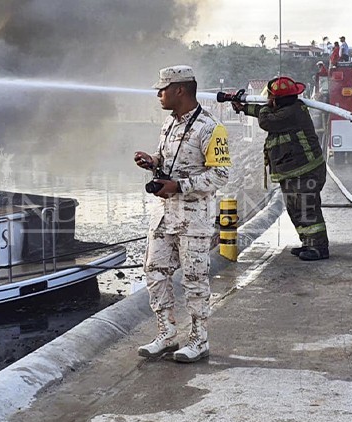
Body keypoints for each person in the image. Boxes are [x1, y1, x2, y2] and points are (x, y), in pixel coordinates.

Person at [133, 65, 231, 363]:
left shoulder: (211, 128)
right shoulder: (170, 124)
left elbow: (221, 175)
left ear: (180, 90)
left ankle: (199, 340)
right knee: (154, 272)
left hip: (193, 218)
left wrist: (179, 185)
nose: (159, 94)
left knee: (194, 278)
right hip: (163, 215)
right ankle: (166, 333)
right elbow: (168, 157)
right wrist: (153, 161)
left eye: (163, 89)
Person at [231, 76, 329, 261]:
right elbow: (264, 112)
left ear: (276, 99)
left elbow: (266, 120)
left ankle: (319, 247)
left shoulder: (293, 112)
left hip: (305, 170)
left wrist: (267, 104)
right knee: (295, 208)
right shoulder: (285, 109)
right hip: (293, 171)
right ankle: (308, 243)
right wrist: (243, 107)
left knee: (307, 209)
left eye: (271, 98)